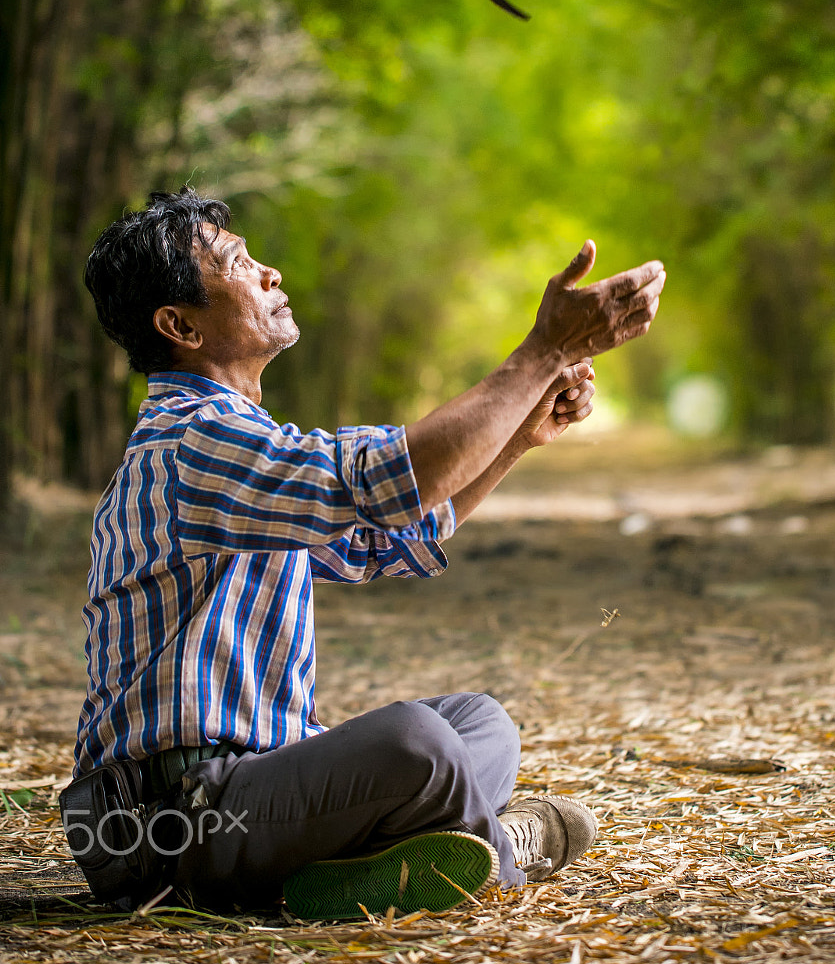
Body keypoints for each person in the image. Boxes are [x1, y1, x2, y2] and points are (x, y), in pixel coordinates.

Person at [66, 187, 665, 921]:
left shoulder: (236, 444)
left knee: (479, 723)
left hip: (249, 792)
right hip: (174, 825)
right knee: (417, 745)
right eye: (237, 263)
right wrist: (546, 352)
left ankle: (353, 867)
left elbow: (386, 534)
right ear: (179, 324)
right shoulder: (190, 444)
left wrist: (516, 437)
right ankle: (501, 850)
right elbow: (384, 480)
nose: (270, 273)